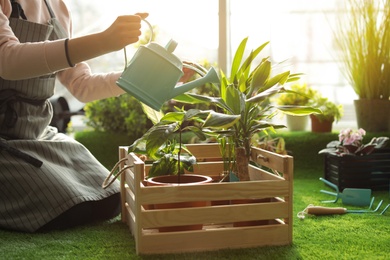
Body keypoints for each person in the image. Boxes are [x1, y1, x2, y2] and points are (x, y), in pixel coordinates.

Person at [0, 0, 151, 232]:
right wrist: (103, 41)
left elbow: (82, 85)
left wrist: (140, 78)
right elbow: (7, 61)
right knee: (69, 207)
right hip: (3, 139)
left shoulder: (57, 8)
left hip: (39, 133)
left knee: (111, 197)